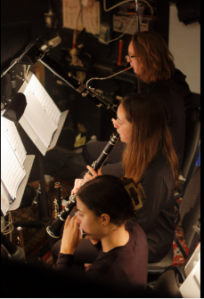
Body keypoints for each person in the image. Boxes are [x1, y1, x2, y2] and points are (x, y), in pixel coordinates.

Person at [53, 93, 179, 263]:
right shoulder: (140, 149)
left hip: (146, 240)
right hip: (129, 219)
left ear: (138, 127)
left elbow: (137, 224)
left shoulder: (157, 174)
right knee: (72, 226)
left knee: (61, 247)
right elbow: (133, 191)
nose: (114, 125)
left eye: (120, 121)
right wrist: (96, 182)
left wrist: (99, 198)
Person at [82, 31, 190, 177]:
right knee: (91, 152)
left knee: (89, 169)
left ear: (147, 58)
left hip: (157, 168)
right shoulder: (171, 80)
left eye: (132, 56)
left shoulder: (158, 99)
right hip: (157, 156)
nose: (128, 60)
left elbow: (143, 154)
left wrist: (125, 128)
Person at [55, 175, 148, 287]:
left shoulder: (100, 274)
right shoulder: (136, 229)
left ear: (104, 219)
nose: (77, 220)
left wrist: (65, 252)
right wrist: (96, 240)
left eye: (81, 214)